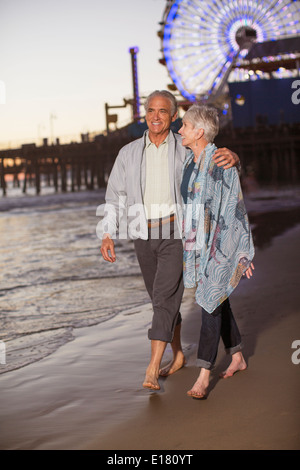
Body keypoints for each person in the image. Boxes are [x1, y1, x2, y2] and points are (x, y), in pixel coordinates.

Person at [99, 90, 240, 391]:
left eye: (163, 111)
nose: (155, 116)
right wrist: (107, 233)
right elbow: (114, 196)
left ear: (174, 116)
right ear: (145, 114)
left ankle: (151, 368)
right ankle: (179, 355)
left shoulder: (184, 148)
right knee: (160, 300)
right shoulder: (128, 153)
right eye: (150, 110)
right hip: (142, 234)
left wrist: (235, 157)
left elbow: (211, 159)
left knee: (163, 299)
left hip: (176, 232)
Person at [179, 104, 255, 399]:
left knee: (210, 300)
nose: (180, 129)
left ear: (199, 132)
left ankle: (203, 376)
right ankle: (236, 355)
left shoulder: (222, 163)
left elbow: (236, 208)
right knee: (216, 298)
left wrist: (241, 252)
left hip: (220, 244)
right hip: (196, 243)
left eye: (185, 126)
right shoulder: (189, 160)